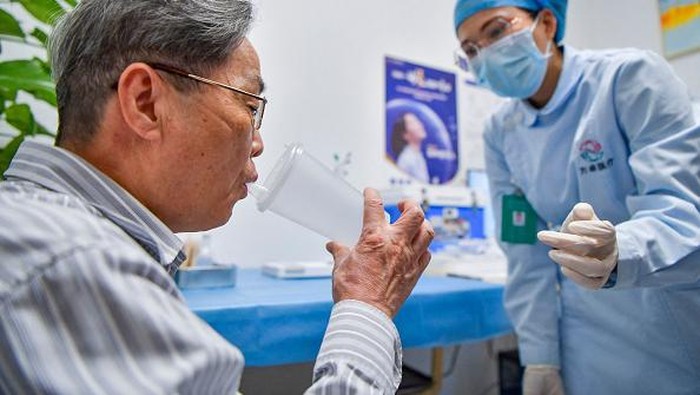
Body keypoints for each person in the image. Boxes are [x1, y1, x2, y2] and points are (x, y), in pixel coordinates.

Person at [0, 1, 435, 393]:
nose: (259, 141)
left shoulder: (46, 230)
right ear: (146, 102)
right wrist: (368, 304)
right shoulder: (74, 262)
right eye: (250, 107)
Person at [453, 0, 700, 394]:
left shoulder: (629, 78)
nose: (484, 53)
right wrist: (539, 357)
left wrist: (621, 249)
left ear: (547, 23)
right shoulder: (501, 132)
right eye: (470, 49)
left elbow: (686, 216)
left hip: (665, 323)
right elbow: (525, 255)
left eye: (496, 30)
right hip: (584, 338)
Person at [391, 111, 430, 183]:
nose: (419, 125)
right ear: (405, 135)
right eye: (413, 123)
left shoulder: (417, 154)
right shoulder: (406, 159)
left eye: (418, 121)